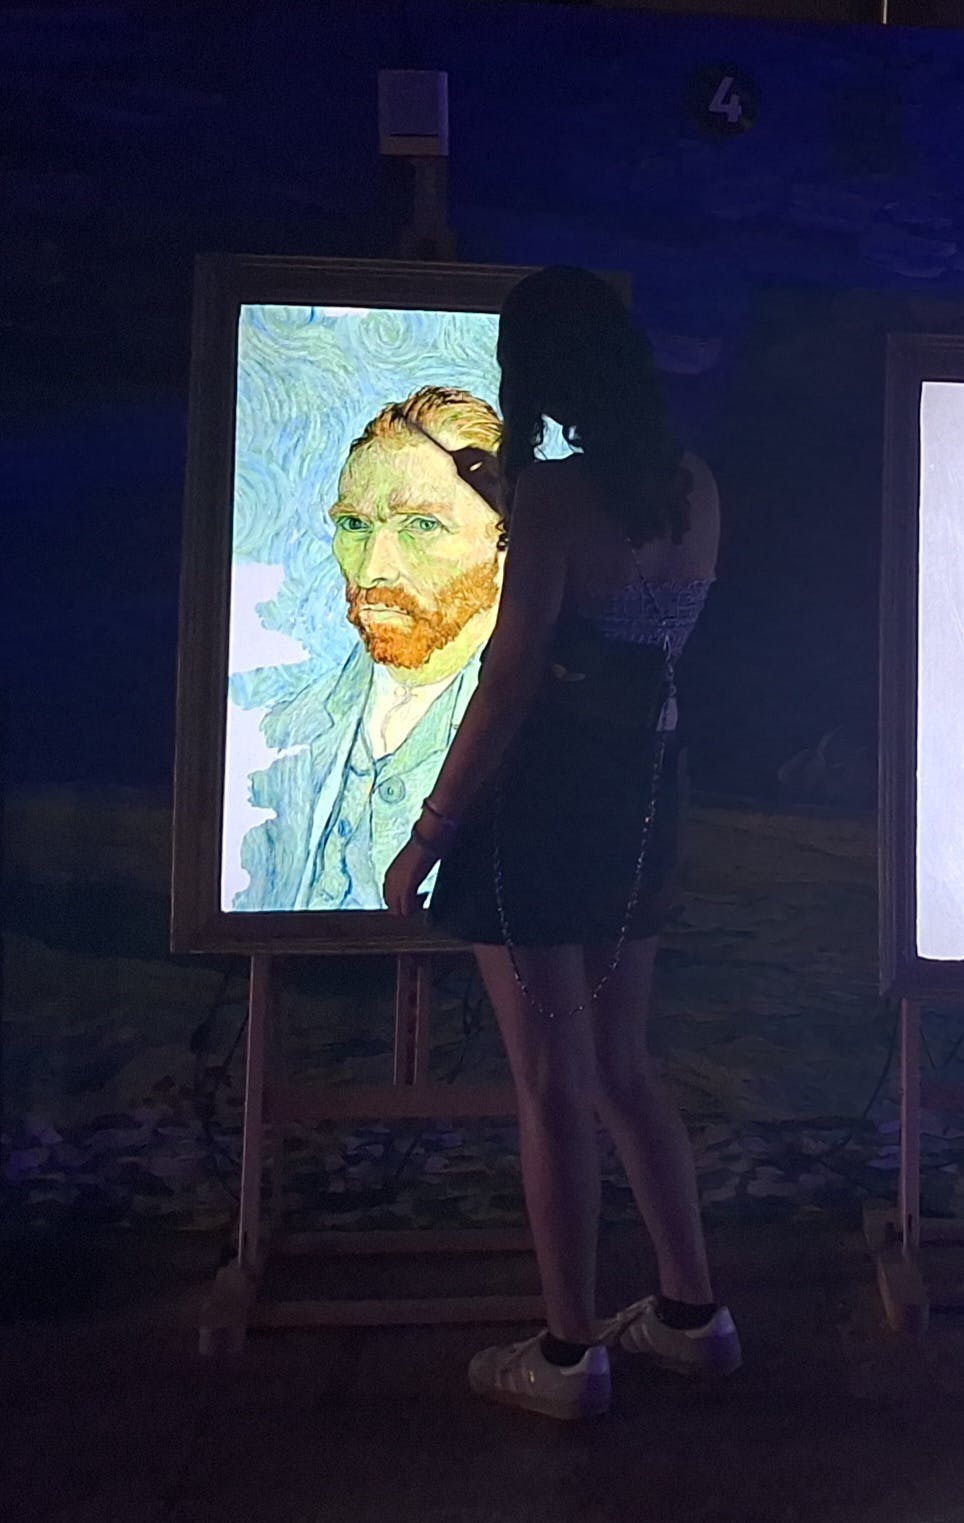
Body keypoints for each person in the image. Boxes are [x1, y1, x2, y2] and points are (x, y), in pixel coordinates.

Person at [383, 267, 742, 1421]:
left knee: (553, 1085)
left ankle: (566, 1353)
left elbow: (510, 678)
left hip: (543, 814)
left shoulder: (551, 499)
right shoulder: (690, 483)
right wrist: (516, 500)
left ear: (534, 374)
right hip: (645, 801)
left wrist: (427, 833)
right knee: (624, 1067)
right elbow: (617, 603)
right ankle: (692, 1317)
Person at [233, 385, 504, 910]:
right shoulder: (281, 731)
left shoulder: (544, 739)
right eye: (354, 525)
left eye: (421, 525)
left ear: (504, 538)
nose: (373, 569)